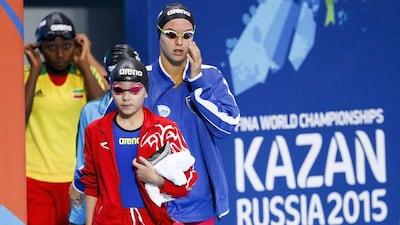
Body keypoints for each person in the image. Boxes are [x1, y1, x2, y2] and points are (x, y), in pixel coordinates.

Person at [145, 2, 241, 224]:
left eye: (186, 35)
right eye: (171, 34)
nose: (179, 42)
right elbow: (110, 133)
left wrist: (197, 82)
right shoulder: (143, 80)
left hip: (201, 206)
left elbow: (227, 126)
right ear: (158, 36)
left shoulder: (210, 77)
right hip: (156, 206)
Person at [81, 58, 198, 225]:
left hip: (152, 219)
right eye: (119, 90)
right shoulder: (95, 131)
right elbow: (91, 184)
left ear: (146, 91)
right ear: (111, 91)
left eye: (135, 90)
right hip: (109, 219)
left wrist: (157, 180)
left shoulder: (165, 130)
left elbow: (188, 182)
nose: (126, 97)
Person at [24, 11, 106, 225]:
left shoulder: (85, 75)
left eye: (66, 46)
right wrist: (34, 72)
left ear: (76, 46)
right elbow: (16, 122)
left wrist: (84, 64)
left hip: (77, 179)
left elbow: (103, 115)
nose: (59, 54)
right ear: (39, 48)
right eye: (51, 48)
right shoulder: (25, 76)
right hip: (35, 179)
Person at [68, 44, 141, 225]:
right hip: (103, 208)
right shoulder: (91, 112)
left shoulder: (151, 109)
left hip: (141, 206)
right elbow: (83, 164)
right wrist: (79, 216)